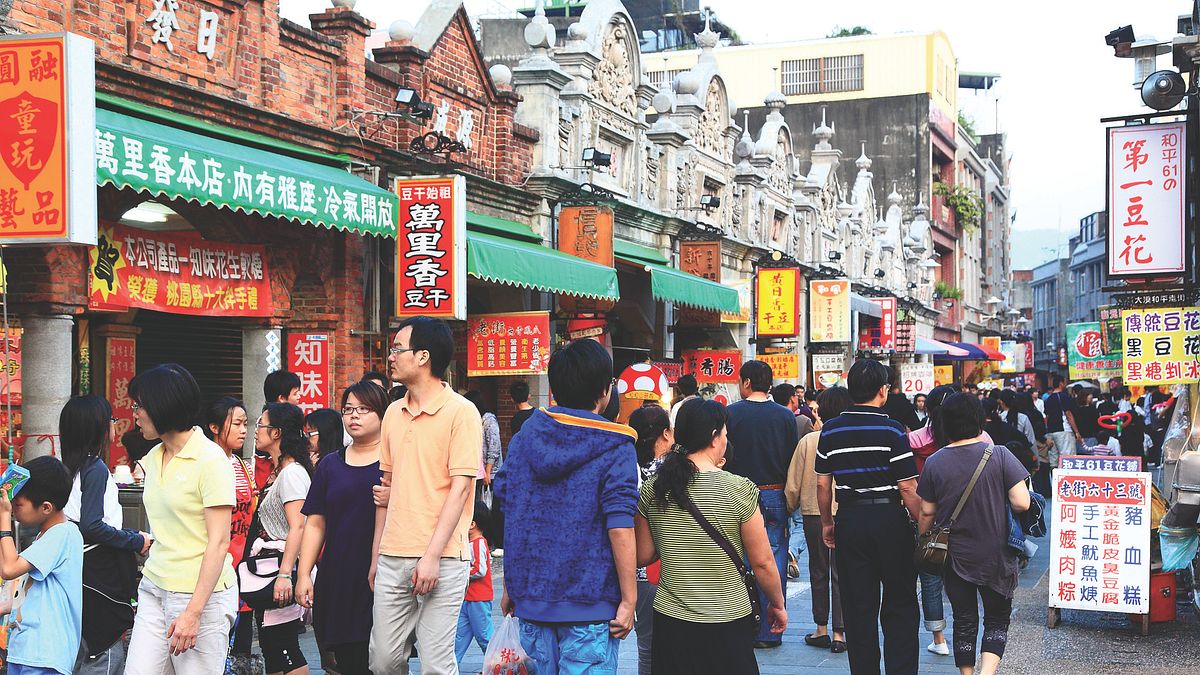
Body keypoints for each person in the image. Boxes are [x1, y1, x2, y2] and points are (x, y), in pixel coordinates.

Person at [494, 338, 637, 674]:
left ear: (555, 388)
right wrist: (629, 599)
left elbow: (513, 513)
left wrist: (511, 586)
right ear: (604, 391)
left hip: (532, 602)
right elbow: (620, 526)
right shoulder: (615, 445)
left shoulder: (525, 438)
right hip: (591, 608)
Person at [635, 398, 787, 674]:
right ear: (714, 437)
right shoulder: (739, 489)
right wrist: (777, 604)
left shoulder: (655, 488)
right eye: (725, 434)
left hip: (672, 619)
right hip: (729, 620)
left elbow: (643, 555)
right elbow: (763, 562)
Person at [370, 316, 482, 675]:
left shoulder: (462, 413)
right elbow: (384, 492)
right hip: (393, 554)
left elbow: (460, 488)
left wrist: (431, 556)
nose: (391, 356)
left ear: (423, 357)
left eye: (397, 349)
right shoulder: (392, 412)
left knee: (435, 664)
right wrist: (376, 556)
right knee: (384, 660)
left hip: (445, 556)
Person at [126, 364, 237, 674]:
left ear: (162, 406)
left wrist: (193, 613)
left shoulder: (211, 460)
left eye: (139, 406)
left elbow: (219, 542)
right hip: (154, 588)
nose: (134, 413)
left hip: (201, 596)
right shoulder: (152, 457)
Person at [816, 359, 921, 675]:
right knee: (900, 602)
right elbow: (907, 486)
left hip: (850, 519)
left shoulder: (831, 429)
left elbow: (823, 483)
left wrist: (827, 522)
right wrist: (922, 524)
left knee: (858, 606)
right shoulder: (891, 429)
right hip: (890, 518)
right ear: (882, 391)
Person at [917, 393, 1030, 675]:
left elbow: (927, 511)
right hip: (997, 554)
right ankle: (986, 673)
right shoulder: (1000, 454)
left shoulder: (935, 462)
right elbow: (1022, 502)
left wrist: (922, 537)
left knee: (964, 618)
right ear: (979, 421)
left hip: (955, 556)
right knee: (996, 618)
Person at [295, 382, 387, 675]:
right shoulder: (331, 465)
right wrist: (303, 573)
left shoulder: (394, 462)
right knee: (348, 661)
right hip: (339, 576)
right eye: (348, 410)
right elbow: (315, 522)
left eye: (364, 409)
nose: (354, 416)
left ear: (383, 414)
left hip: (383, 576)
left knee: (384, 660)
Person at [59, 396, 149, 673]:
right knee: (104, 652)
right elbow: (93, 525)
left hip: (79, 572)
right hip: (100, 574)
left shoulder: (68, 467)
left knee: (80, 652)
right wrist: (136, 540)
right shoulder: (95, 468)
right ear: (97, 427)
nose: (114, 424)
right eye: (110, 419)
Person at [724, 360, 797, 648]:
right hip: (774, 492)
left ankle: (743, 625)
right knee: (775, 556)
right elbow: (791, 457)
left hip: (737, 492)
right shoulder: (785, 416)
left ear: (745, 383)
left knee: (739, 557)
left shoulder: (731, 414)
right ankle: (771, 630)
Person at [0, 455, 84, 675]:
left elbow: (9, 568)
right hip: (27, 650)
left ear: (46, 507)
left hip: (44, 655)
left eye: (17, 504)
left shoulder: (63, 534)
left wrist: (4, 519)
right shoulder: (46, 536)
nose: (13, 509)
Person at [784, 386, 849, 655]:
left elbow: (793, 484)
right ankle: (840, 632)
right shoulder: (849, 439)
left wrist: (790, 508)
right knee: (842, 572)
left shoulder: (809, 442)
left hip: (813, 512)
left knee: (819, 570)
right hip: (846, 511)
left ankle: (821, 627)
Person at [251, 402, 313, 675]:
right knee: (272, 646)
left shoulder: (291, 474)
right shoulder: (281, 471)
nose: (255, 431)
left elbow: (298, 526)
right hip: (273, 567)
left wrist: (286, 574)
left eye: (260, 425)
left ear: (276, 433)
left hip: (280, 568)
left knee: (283, 645)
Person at [200, 397, 256, 664]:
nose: (243, 430)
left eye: (245, 424)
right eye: (236, 424)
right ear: (213, 427)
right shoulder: (205, 463)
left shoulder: (241, 464)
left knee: (240, 647)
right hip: (215, 564)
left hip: (242, 565)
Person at [628, 404, 674, 675]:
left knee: (647, 645)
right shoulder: (677, 471)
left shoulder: (627, 468)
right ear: (666, 434)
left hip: (638, 571)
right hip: (671, 568)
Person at [454, 500, 495, 667]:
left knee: (485, 637)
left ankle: (497, 666)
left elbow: (480, 569)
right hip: (469, 598)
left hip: (479, 599)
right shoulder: (470, 543)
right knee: (458, 638)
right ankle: (450, 666)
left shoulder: (478, 543)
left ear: (472, 524)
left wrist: (461, 573)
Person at [256, 370, 303, 496]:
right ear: (281, 398)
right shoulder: (267, 423)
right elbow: (261, 463)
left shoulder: (293, 473)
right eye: (295, 393)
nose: (299, 396)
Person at [464, 390, 502, 499]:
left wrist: (488, 472)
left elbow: (494, 447)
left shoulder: (488, 420)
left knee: (486, 505)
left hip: (490, 472)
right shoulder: (475, 419)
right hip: (480, 471)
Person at [1043, 374, 1082, 469]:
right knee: (1068, 460)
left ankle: (1055, 481)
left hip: (1051, 432)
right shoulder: (1064, 397)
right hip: (1064, 430)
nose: (1065, 384)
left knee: (1054, 461)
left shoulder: (1048, 398)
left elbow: (1047, 416)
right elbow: (1068, 414)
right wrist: (1076, 432)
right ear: (1061, 383)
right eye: (1064, 382)